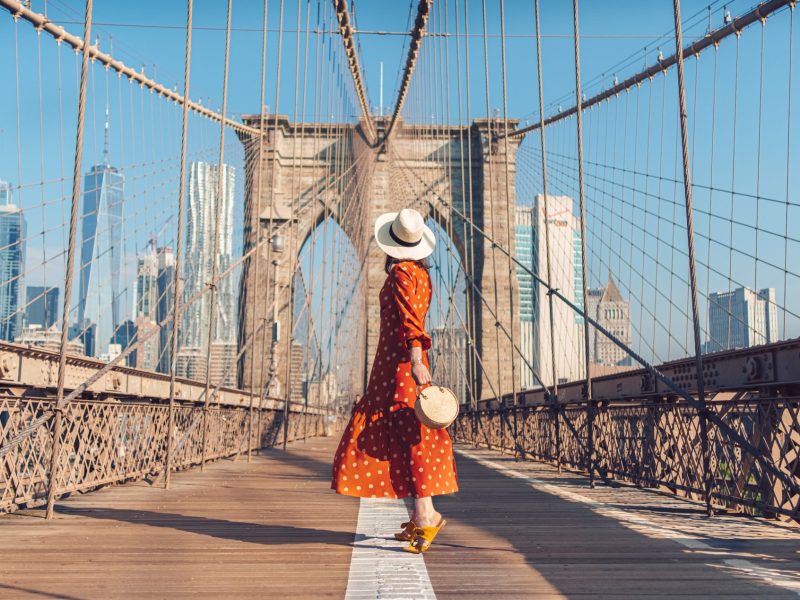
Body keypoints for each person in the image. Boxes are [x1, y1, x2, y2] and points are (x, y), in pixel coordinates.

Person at [330, 208, 458, 553]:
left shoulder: (401, 273)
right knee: (409, 438)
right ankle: (421, 515)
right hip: (397, 366)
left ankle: (427, 514)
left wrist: (416, 359)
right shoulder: (421, 274)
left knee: (409, 437)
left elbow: (410, 320)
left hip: (399, 369)